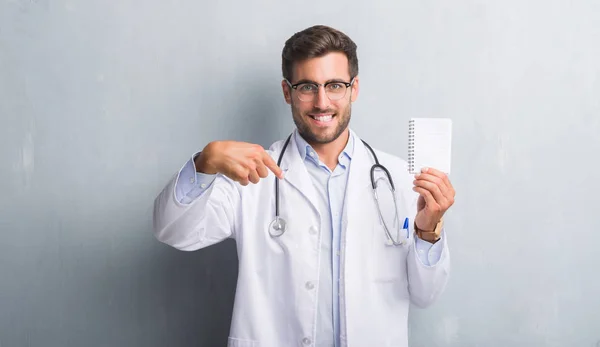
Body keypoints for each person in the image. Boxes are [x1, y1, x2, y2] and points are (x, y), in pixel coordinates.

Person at [153, 24, 455, 347]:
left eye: (334, 85)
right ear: (287, 92)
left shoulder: (398, 178)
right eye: (307, 87)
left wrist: (428, 231)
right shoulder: (252, 175)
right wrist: (205, 163)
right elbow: (171, 229)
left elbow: (426, 294)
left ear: (354, 89)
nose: (321, 102)